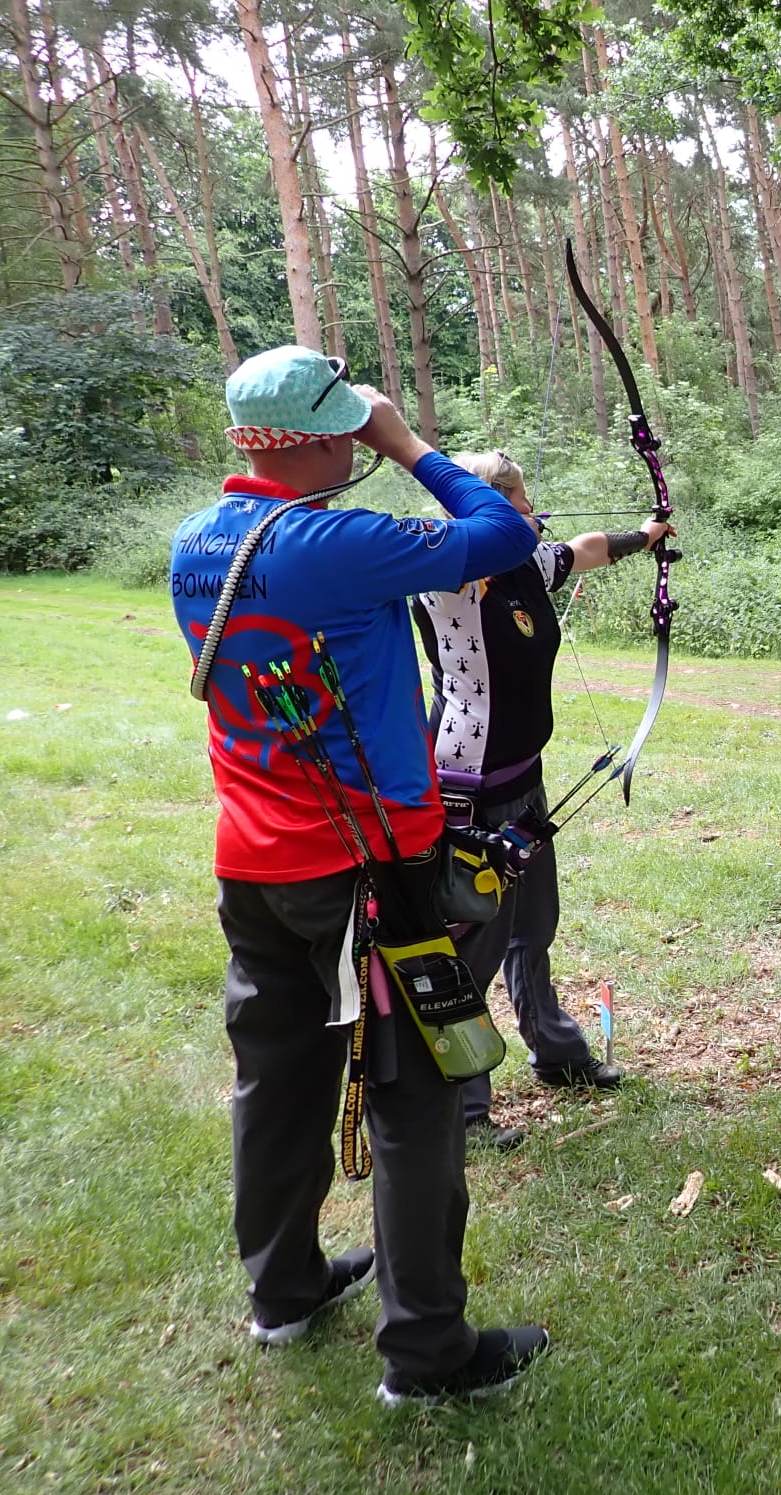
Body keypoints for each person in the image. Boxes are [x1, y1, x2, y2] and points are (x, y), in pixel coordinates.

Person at [170, 346, 549, 1406]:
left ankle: (283, 1292)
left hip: (252, 863)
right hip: (368, 871)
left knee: (275, 1079)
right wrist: (406, 441)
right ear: (326, 438)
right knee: (414, 1095)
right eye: (346, 426)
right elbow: (504, 535)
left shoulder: (197, 539)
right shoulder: (336, 542)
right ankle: (427, 1353)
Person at [411, 450, 673, 1146]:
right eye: (522, 500)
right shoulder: (447, 576)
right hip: (469, 789)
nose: (535, 511)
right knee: (474, 943)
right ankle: (461, 1109)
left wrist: (645, 535)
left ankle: (555, 1051)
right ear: (489, 508)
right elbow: (472, 546)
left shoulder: (524, 563)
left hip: (523, 777)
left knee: (533, 927)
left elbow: (582, 549)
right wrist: (497, 521)